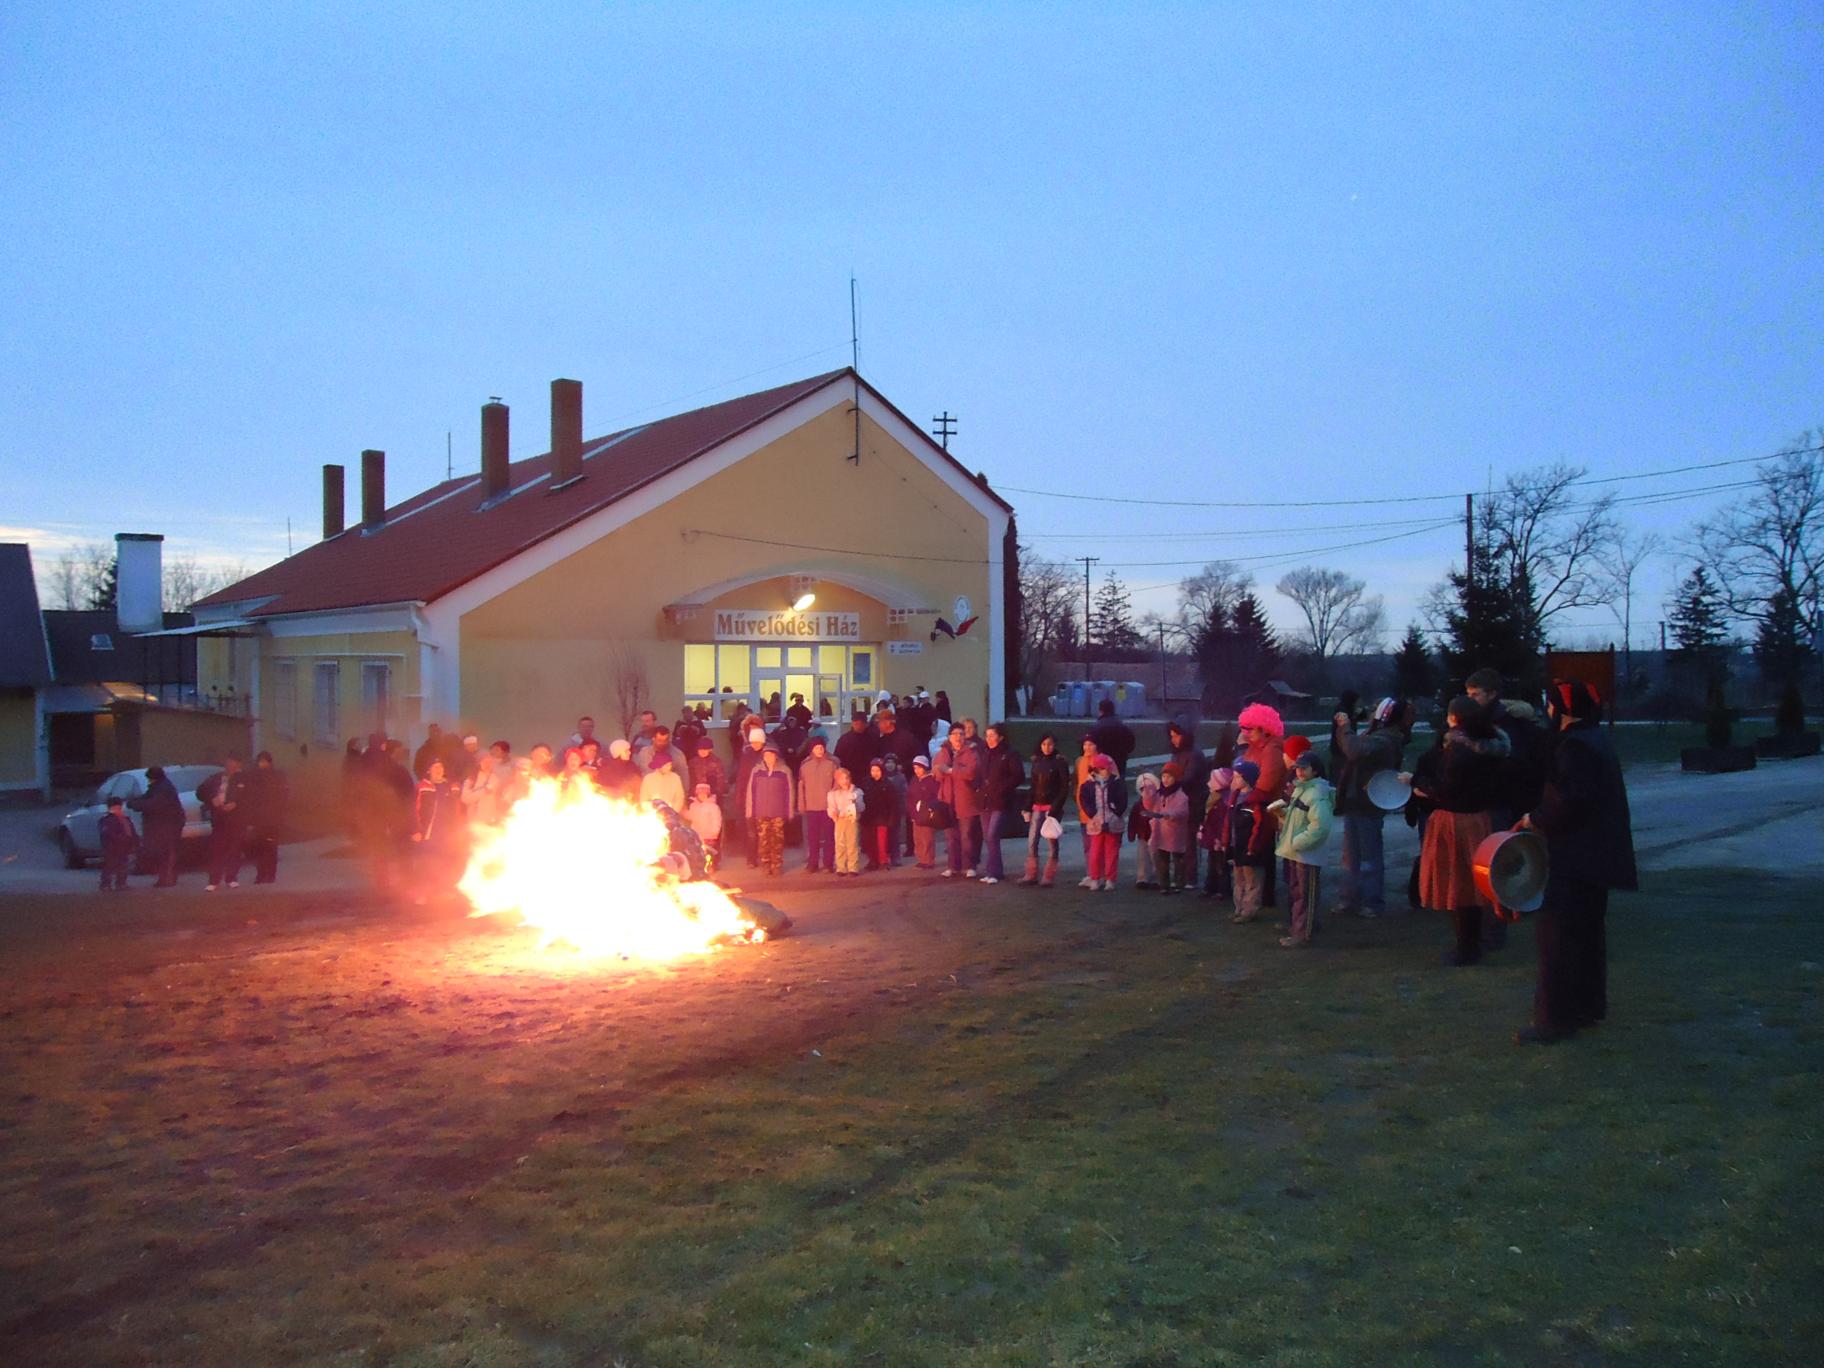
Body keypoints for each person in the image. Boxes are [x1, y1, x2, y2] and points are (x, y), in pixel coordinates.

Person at [1513, 680, 1638, 1044]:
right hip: (1595, 857)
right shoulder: (1595, 739)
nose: (1548, 712)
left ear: (1564, 710)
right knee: (1587, 936)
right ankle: (1587, 1006)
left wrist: (1534, 819)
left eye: (1551, 705)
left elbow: (1570, 801)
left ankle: (1555, 1019)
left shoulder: (1576, 746)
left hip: (1575, 858)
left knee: (1559, 938)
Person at [1413, 696, 1512, 966]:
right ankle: (1475, 941)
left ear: (1454, 718)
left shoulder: (1459, 750)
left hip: (1456, 821)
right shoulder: (1492, 747)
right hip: (1479, 819)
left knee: (1459, 884)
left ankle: (1466, 947)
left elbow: (1446, 788)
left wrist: (1419, 785)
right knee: (1473, 882)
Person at [1330, 697, 1406, 920]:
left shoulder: (1385, 740)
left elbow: (1353, 749)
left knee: (1368, 858)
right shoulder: (1378, 736)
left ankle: (1372, 902)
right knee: (1350, 857)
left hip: (1368, 803)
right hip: (1357, 802)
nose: (1371, 712)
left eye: (1375, 709)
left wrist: (1345, 727)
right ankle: (1349, 898)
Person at [1275, 751, 1335, 947]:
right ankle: (1300, 927)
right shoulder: (1302, 790)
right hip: (1298, 852)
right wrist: (1282, 813)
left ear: (1315, 770)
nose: (1299, 771)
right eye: (1297, 768)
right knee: (1297, 891)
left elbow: (1320, 826)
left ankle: (1302, 934)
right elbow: (1299, 818)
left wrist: (1297, 842)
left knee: (1304, 894)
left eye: (1304, 768)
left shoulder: (1317, 794)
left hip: (1307, 854)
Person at [1236, 704, 1288, 909]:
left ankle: (1265, 896)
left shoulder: (1272, 749)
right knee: (1257, 850)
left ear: (1263, 728)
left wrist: (1248, 797)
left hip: (1264, 806)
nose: (1246, 733)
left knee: (1263, 851)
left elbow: (1267, 781)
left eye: (1249, 729)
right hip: (1253, 804)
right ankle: (1259, 895)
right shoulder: (1256, 747)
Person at [411, 758, 466, 903]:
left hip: (446, 833)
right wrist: (416, 830)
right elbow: (413, 809)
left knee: (445, 862)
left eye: (441, 767)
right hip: (428, 832)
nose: (439, 770)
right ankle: (422, 893)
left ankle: (441, 891)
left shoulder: (450, 786)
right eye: (435, 767)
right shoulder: (422, 787)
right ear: (428, 770)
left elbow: (457, 809)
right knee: (426, 863)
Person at [1226, 760, 1273, 924]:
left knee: (1252, 880)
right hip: (1237, 845)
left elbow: (1260, 826)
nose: (1234, 779)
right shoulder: (1235, 797)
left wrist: (1253, 847)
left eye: (1237, 776)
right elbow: (1228, 822)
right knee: (1238, 878)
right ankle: (1239, 908)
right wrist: (1226, 841)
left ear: (1247, 778)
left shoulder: (1256, 801)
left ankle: (1249, 910)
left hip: (1250, 846)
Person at [976, 723, 1024, 885]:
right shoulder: (984, 753)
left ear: (1000, 737)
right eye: (987, 735)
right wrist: (979, 789)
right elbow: (980, 774)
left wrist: (1002, 788)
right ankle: (994, 870)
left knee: (992, 834)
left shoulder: (1009, 754)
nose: (988, 739)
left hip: (1000, 800)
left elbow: (1018, 776)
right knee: (988, 837)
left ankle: (994, 872)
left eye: (992, 735)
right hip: (985, 800)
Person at [1020, 733, 1070, 887]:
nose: (1047, 747)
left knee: (1051, 841)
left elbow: (1064, 788)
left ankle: (1048, 875)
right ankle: (1031, 873)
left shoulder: (1059, 763)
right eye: (1044, 744)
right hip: (1037, 805)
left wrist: (1056, 807)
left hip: (1051, 807)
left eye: (1050, 744)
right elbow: (1033, 786)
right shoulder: (1037, 762)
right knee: (1032, 841)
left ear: (1054, 745)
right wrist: (1027, 806)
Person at [1166, 719, 1211, 886]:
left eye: (1175, 736)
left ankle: (1190, 876)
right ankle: (1179, 875)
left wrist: (1171, 784)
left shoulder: (1194, 755)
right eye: (1171, 736)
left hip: (1193, 802)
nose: (1173, 739)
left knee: (1189, 840)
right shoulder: (1178, 753)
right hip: (1181, 801)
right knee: (1178, 839)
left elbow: (1188, 779)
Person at [938, 723, 985, 878]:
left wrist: (951, 771)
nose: (958, 737)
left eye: (961, 734)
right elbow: (937, 771)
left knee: (967, 835)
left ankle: (969, 866)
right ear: (949, 736)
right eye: (955, 734)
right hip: (947, 799)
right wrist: (942, 771)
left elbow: (971, 773)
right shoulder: (944, 751)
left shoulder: (971, 752)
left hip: (966, 799)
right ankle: (953, 866)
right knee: (951, 837)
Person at [744, 742, 796, 876]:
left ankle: (777, 864)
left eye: (771, 755)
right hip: (761, 811)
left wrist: (790, 811)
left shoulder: (784, 771)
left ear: (776, 756)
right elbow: (750, 791)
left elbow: (790, 792)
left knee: (777, 840)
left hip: (778, 811)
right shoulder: (756, 771)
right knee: (763, 840)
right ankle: (766, 864)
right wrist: (750, 811)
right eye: (766, 755)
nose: (768, 758)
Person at [128, 765, 185, 887]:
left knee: (166, 852)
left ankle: (167, 879)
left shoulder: (162, 788)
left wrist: (134, 804)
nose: (149, 781)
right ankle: (166, 878)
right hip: (167, 824)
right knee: (165, 852)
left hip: (167, 825)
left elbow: (152, 804)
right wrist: (135, 802)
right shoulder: (160, 786)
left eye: (149, 778)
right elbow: (147, 799)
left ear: (153, 777)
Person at [1077, 753, 1127, 891]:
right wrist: (1093, 814)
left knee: (1112, 852)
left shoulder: (1117, 783)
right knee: (1095, 852)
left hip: (1113, 822)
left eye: (1108, 768)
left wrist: (1116, 813)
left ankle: (1110, 879)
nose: (1107, 771)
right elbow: (1084, 801)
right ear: (1097, 769)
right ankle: (1095, 878)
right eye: (1104, 768)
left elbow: (1122, 800)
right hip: (1096, 822)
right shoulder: (1088, 785)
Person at [197, 756, 247, 891]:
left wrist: (236, 804)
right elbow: (200, 792)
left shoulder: (243, 779)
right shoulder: (214, 779)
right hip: (219, 819)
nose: (230, 767)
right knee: (217, 850)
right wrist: (211, 799)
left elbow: (250, 797)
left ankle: (231, 878)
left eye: (234, 764)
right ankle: (214, 880)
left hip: (237, 819)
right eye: (228, 764)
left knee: (235, 849)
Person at [240, 751, 290, 885]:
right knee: (259, 847)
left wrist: (280, 813)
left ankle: (270, 875)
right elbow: (250, 797)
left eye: (264, 761)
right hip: (259, 819)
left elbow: (284, 796)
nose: (262, 764)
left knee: (271, 847)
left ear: (270, 762)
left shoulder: (277, 776)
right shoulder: (254, 777)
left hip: (273, 819)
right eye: (260, 761)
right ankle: (261, 874)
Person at [1144, 762, 1192, 894]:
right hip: (1160, 831)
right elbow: (1149, 806)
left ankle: (1178, 882)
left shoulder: (1181, 795)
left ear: (1176, 778)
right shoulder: (1159, 794)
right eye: (1164, 776)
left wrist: (1169, 814)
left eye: (1169, 777)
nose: (1165, 779)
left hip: (1175, 831)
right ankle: (1164, 884)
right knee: (1162, 859)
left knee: (1178, 859)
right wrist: (1148, 794)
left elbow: (1182, 812)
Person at [797, 735, 838, 873]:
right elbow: (801, 786)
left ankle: (828, 863)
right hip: (811, 806)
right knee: (812, 837)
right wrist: (801, 804)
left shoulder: (832, 763)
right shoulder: (805, 765)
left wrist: (836, 804)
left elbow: (837, 784)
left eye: (821, 748)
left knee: (829, 836)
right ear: (812, 749)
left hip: (828, 806)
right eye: (816, 748)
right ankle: (812, 863)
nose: (819, 750)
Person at [1197, 767, 1235, 899]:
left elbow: (1221, 822)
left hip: (1217, 838)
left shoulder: (1222, 801)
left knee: (1221, 864)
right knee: (1213, 862)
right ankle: (1211, 886)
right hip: (1213, 836)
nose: (1209, 783)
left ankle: (1222, 889)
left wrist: (1220, 838)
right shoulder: (1215, 798)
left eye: (1212, 781)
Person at [1073, 734, 1103, 875]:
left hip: (1098, 809)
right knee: (1087, 845)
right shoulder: (1080, 761)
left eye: (1091, 744)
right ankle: (1091, 873)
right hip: (1083, 809)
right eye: (1085, 744)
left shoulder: (1102, 760)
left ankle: (1100, 873)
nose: (1087, 747)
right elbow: (1077, 782)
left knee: (1098, 845)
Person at [860, 758, 896, 871]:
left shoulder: (887, 784)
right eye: (873, 770)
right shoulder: (866, 783)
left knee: (882, 841)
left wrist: (891, 817)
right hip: (869, 816)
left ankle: (883, 861)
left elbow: (892, 802)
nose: (875, 773)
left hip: (882, 816)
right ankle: (873, 860)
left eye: (877, 770)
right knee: (869, 840)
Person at [827, 766, 865, 876]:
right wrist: (833, 813)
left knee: (852, 843)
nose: (844, 781)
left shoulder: (856, 792)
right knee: (840, 844)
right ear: (837, 780)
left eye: (846, 778)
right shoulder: (833, 793)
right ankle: (841, 867)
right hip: (839, 820)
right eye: (841, 779)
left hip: (852, 820)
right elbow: (831, 807)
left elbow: (862, 807)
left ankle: (853, 867)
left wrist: (855, 803)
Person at [98, 795, 138, 892]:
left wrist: (134, 841)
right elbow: (107, 833)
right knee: (110, 865)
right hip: (112, 846)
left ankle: (120, 883)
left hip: (123, 846)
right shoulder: (107, 820)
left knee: (122, 865)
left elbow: (131, 831)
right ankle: (106, 884)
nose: (118, 809)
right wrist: (119, 838)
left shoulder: (125, 819)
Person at [1090, 699, 1137, 776]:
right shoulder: (1122, 726)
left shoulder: (1096, 727)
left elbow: (1090, 744)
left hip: (1101, 762)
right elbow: (1130, 744)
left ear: (1100, 711)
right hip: (1119, 761)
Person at [1128, 772, 1158, 888]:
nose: (1146, 792)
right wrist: (1131, 834)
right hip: (1142, 835)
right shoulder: (1138, 805)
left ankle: (1157, 878)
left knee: (1156, 857)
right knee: (1142, 858)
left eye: (1149, 788)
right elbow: (1132, 820)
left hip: (1156, 836)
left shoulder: (1159, 803)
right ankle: (1142, 878)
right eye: (1143, 789)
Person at [687, 781, 724, 873]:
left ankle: (712, 866)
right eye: (700, 794)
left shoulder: (713, 807)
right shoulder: (693, 806)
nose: (702, 796)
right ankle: (700, 867)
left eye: (704, 794)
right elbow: (691, 817)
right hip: (697, 833)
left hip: (709, 834)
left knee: (709, 852)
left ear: (708, 794)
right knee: (698, 851)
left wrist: (714, 832)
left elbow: (716, 820)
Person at [836, 712, 877, 783]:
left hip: (868, 776)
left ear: (866, 724)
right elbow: (838, 758)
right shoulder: (844, 739)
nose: (859, 726)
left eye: (861, 723)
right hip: (849, 776)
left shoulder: (872, 739)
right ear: (852, 723)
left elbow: (876, 756)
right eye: (856, 723)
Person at [688, 734, 728, 803]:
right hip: (697, 794)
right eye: (700, 749)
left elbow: (721, 779)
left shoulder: (716, 761)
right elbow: (690, 779)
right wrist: (692, 793)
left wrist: (718, 793)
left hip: (712, 794)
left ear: (710, 749)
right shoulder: (692, 762)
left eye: (705, 749)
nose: (702, 752)